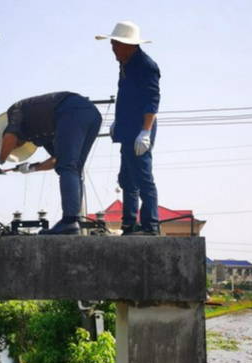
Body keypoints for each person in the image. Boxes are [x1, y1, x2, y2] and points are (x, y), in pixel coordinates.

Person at [0, 92, 102, 235]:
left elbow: (11, 134)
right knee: (74, 167)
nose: (16, 146)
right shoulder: (40, 134)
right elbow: (57, 159)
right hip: (91, 115)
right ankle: (73, 221)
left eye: (13, 145)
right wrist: (32, 168)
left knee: (68, 167)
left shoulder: (15, 110)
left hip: (70, 109)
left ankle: (69, 222)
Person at [96, 21, 161, 236]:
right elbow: (126, 98)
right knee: (126, 178)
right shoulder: (124, 62)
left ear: (129, 45)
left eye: (116, 44)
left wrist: (146, 132)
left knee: (143, 178)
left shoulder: (146, 66)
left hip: (140, 129)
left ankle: (151, 226)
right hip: (126, 128)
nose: (113, 49)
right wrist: (118, 121)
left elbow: (151, 101)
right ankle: (129, 223)